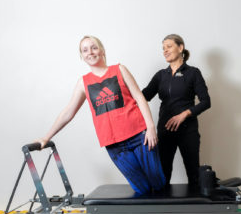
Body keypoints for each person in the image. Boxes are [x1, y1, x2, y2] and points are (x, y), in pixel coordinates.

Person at [36, 35, 166, 195]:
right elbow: (68, 113)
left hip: (140, 136)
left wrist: (151, 128)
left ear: (102, 50)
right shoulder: (83, 83)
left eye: (94, 47)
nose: (90, 52)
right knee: (141, 188)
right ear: (82, 56)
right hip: (115, 145)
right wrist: (46, 137)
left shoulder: (119, 69)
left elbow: (139, 97)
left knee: (158, 183)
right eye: (85, 50)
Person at [137, 34, 211, 214]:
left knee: (193, 175)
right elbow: (142, 96)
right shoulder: (160, 75)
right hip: (164, 132)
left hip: (187, 131)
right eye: (163, 48)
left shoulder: (193, 73)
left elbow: (206, 101)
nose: (165, 50)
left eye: (169, 46)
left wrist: (185, 114)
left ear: (181, 48)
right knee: (161, 175)